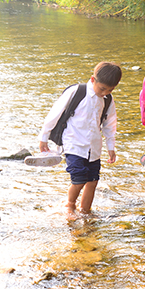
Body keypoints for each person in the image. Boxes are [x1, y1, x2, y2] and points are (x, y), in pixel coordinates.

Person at [39, 61, 122, 217]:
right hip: (73, 143)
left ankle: (86, 211)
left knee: (92, 180)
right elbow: (54, 113)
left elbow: (109, 125)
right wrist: (44, 137)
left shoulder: (108, 100)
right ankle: (69, 205)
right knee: (79, 179)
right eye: (102, 88)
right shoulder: (77, 92)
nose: (105, 92)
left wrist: (111, 148)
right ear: (92, 79)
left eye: (110, 90)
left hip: (94, 147)